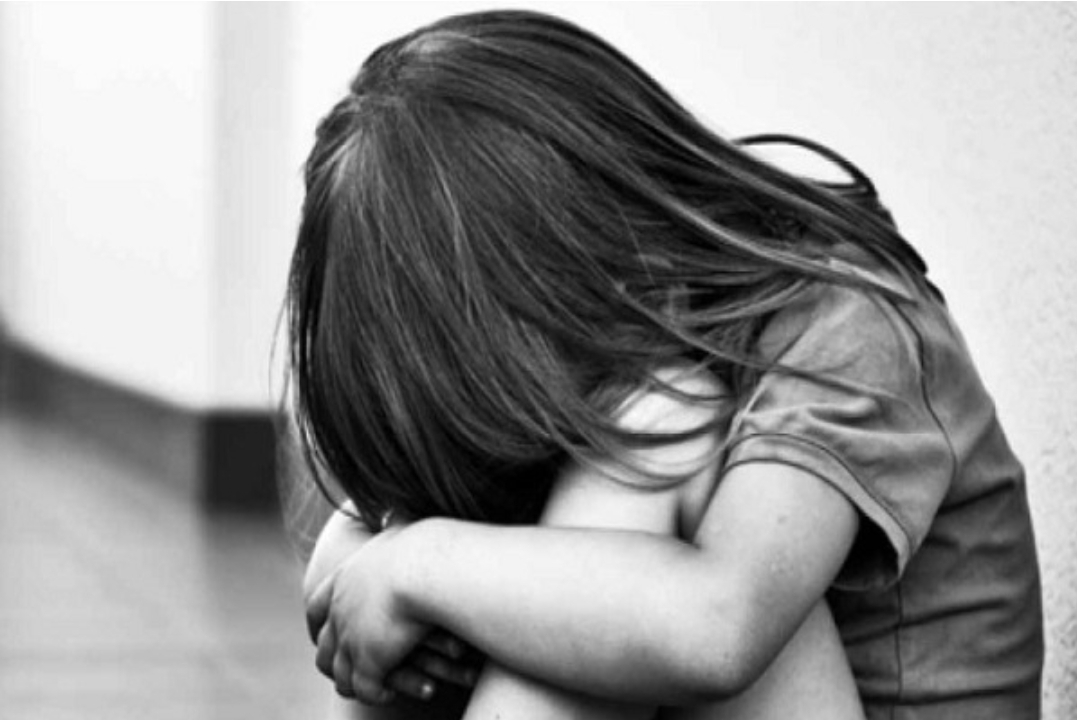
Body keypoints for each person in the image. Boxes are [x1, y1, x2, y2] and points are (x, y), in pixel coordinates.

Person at [286, 10, 1043, 720]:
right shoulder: (627, 326)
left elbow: (722, 625)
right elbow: (354, 555)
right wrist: (384, 565)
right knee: (485, 580)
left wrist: (423, 564)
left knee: (659, 425)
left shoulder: (848, 326)